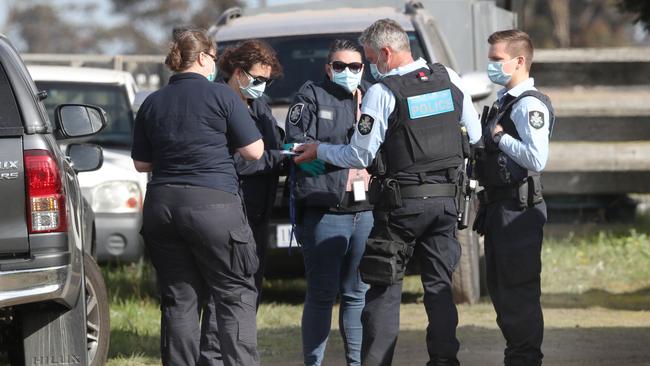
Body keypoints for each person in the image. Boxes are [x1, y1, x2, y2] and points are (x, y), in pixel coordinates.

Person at [294, 19, 481, 366]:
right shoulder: (449, 78)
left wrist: (318, 150)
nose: (370, 69)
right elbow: (474, 131)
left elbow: (359, 155)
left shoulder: (384, 92)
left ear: (385, 52)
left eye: (369, 59)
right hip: (445, 203)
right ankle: (444, 360)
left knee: (383, 291)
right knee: (439, 290)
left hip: (401, 207)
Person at [131, 29, 263, 366]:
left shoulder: (152, 101)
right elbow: (254, 150)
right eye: (214, 57)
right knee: (234, 294)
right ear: (203, 57)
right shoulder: (222, 95)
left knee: (179, 299)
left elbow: (141, 162)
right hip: (214, 206)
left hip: (162, 208)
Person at [286, 39, 374, 366]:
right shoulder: (310, 96)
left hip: (364, 211)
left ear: (363, 68)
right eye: (340, 66)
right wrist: (339, 170)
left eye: (354, 67)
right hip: (325, 211)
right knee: (322, 296)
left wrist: (371, 173)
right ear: (328, 67)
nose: (347, 72)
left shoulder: (372, 97)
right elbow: (297, 152)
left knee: (357, 295)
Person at [198, 39, 286, 365]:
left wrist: (284, 154)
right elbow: (234, 161)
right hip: (230, 213)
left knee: (248, 293)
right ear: (238, 72)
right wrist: (280, 159)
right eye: (258, 79)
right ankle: (213, 359)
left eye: (267, 81)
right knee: (224, 295)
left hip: (258, 214)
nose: (262, 87)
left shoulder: (258, 105)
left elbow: (271, 145)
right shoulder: (219, 104)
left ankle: (237, 354)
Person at [473, 29, 554, 366]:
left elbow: (537, 159)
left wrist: (500, 137)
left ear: (519, 61)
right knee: (504, 294)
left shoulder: (529, 105)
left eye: (497, 60)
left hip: (518, 211)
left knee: (518, 294)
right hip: (500, 208)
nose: (491, 66)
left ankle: (524, 360)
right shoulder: (505, 102)